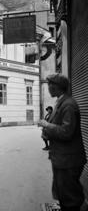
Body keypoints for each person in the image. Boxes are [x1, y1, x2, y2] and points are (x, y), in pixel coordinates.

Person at [38, 73, 87, 211]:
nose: (48, 87)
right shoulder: (61, 102)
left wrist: (47, 126)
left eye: (49, 85)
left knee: (70, 198)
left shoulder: (69, 104)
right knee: (64, 193)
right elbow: (58, 127)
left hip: (69, 160)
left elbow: (66, 132)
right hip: (63, 158)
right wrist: (47, 130)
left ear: (56, 87)